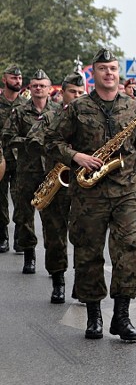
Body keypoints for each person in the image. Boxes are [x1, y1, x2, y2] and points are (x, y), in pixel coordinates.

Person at [45, 48, 136, 341]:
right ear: (92, 73)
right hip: (89, 194)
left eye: (113, 68)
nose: (109, 73)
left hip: (127, 191)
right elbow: (51, 141)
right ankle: (93, 315)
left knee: (131, 249)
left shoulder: (134, 108)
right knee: (88, 253)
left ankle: (122, 316)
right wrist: (76, 156)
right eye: (103, 68)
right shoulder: (78, 108)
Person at [26, 72, 86, 303]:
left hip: (83, 185)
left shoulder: (90, 118)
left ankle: (81, 285)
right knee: (54, 236)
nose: (77, 96)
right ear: (62, 93)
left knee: (84, 237)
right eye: (73, 92)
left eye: (81, 93)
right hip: (57, 182)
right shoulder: (51, 116)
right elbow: (34, 141)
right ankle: (58, 281)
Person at [2, 70, 60, 274]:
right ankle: (29, 255)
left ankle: (53, 263)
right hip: (26, 171)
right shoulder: (19, 111)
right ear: (30, 87)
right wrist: (28, 143)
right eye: (35, 85)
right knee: (24, 216)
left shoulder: (58, 111)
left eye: (42, 85)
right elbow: (7, 136)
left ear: (49, 88)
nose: (38, 88)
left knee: (51, 220)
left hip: (51, 172)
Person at [0, 64, 25, 253]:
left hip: (20, 160)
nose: (17, 81)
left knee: (20, 199)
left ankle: (19, 237)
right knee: (0, 199)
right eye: (13, 78)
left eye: (19, 78)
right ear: (5, 79)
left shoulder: (26, 105)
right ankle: (2, 236)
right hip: (1, 159)